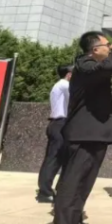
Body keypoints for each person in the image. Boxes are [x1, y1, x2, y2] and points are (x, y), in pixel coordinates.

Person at [49, 32, 112, 224]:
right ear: (94, 49)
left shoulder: (91, 67)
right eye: (107, 45)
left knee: (81, 187)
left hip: (92, 136)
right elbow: (108, 67)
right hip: (84, 136)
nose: (110, 48)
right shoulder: (85, 64)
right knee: (73, 186)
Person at [36, 64, 73, 203]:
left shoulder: (60, 85)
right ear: (69, 74)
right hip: (60, 124)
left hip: (59, 124)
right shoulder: (64, 84)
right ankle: (45, 192)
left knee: (55, 159)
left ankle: (47, 190)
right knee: (54, 159)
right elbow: (76, 98)